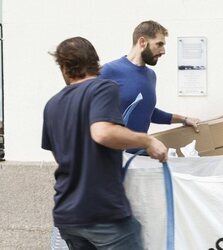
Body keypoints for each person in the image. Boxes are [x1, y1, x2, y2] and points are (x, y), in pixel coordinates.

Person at [42, 36, 168, 250]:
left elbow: (61, 155)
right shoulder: (102, 88)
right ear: (94, 61)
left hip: (67, 214)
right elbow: (102, 133)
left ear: (64, 67)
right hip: (102, 212)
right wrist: (147, 140)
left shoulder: (52, 104)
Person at [100, 20, 200, 138]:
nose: (163, 51)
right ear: (142, 42)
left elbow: (146, 112)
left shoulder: (151, 75)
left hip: (141, 153)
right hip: (116, 154)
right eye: (159, 44)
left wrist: (184, 119)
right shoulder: (109, 71)